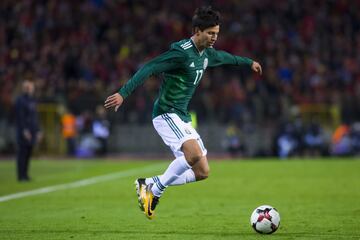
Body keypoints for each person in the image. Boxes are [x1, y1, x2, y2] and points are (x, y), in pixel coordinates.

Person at [104, 6, 262, 219]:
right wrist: (123, 93)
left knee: (202, 172)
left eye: (216, 33)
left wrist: (248, 62)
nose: (214, 37)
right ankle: (155, 190)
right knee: (194, 154)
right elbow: (149, 67)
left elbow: (225, 57)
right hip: (165, 114)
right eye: (210, 33)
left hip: (181, 116)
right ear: (197, 31)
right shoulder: (180, 53)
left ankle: (148, 183)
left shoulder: (206, 53)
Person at [15, 80, 41, 182]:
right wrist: (24, 130)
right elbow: (20, 117)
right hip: (24, 131)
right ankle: (21, 176)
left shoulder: (32, 100)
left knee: (28, 153)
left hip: (32, 130)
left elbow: (35, 117)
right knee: (22, 153)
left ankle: (25, 174)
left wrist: (38, 130)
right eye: (29, 87)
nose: (31, 89)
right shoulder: (20, 100)